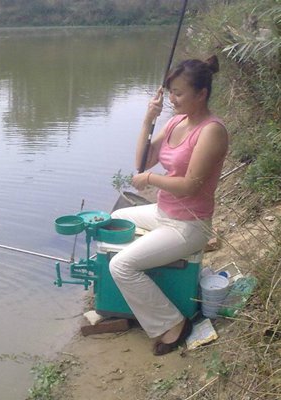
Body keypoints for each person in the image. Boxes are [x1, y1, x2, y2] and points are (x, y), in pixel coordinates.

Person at [110, 56, 229, 356]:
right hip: (164, 214)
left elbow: (191, 185)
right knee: (116, 218)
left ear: (201, 94)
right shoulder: (176, 122)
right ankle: (151, 278)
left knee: (121, 265)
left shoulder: (212, 131)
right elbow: (142, 162)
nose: (172, 99)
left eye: (178, 92)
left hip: (190, 224)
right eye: (170, 91)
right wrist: (148, 121)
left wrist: (152, 179)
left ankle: (174, 323)